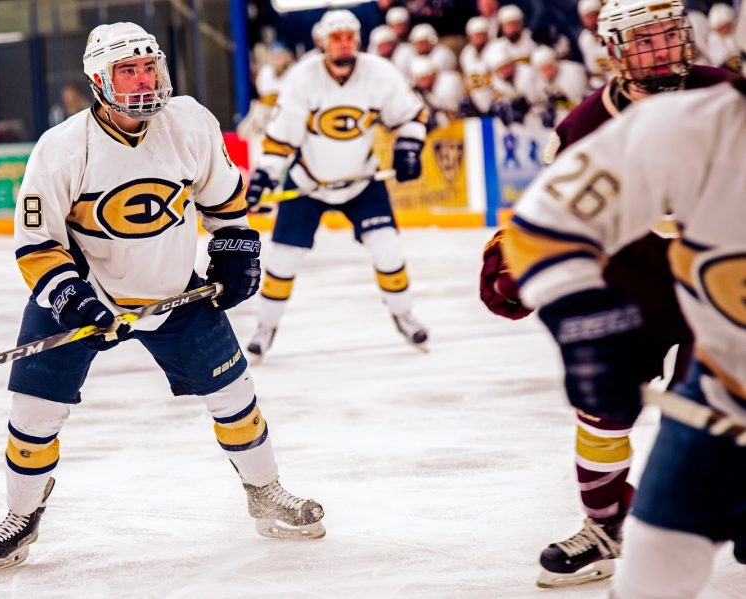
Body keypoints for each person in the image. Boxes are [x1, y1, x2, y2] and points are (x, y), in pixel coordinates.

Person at [0, 22, 325, 575]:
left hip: (172, 292)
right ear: (97, 80)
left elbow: (223, 199)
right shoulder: (63, 148)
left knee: (236, 395)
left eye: (147, 67)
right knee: (34, 413)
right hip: (85, 295)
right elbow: (38, 245)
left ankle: (264, 490)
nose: (142, 81)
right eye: (126, 70)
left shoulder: (188, 121)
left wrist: (235, 250)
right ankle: (21, 514)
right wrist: (71, 298)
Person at [477, 0, 734, 588]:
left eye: (670, 35)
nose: (662, 49)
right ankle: (605, 527)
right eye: (645, 40)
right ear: (615, 50)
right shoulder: (586, 125)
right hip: (631, 282)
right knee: (602, 409)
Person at [243, 9, 429, 360]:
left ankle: (404, 314)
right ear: (322, 42)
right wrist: (265, 175)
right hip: (309, 184)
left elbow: (411, 117)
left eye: (349, 36)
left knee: (387, 248)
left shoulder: (380, 74)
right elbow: (282, 140)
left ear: (357, 39)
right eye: (336, 38)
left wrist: (409, 147)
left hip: (362, 181)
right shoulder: (303, 78)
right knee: (282, 260)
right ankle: (265, 328)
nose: (343, 44)